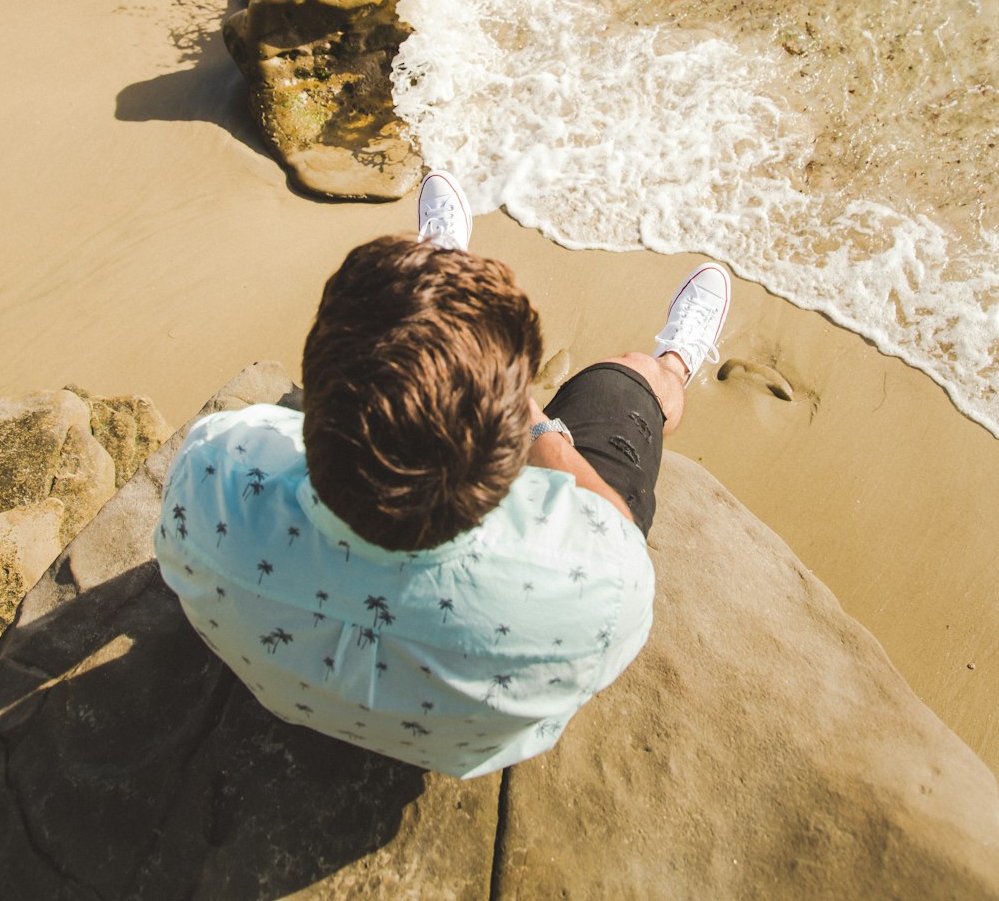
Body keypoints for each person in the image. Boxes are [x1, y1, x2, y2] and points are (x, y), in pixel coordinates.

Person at [155, 172, 731, 778]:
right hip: (460, 744)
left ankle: (439, 273)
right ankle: (674, 362)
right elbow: (614, 528)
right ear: (504, 466)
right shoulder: (604, 590)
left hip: (282, 690)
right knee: (625, 379)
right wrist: (529, 417)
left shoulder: (211, 471)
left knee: (387, 373)